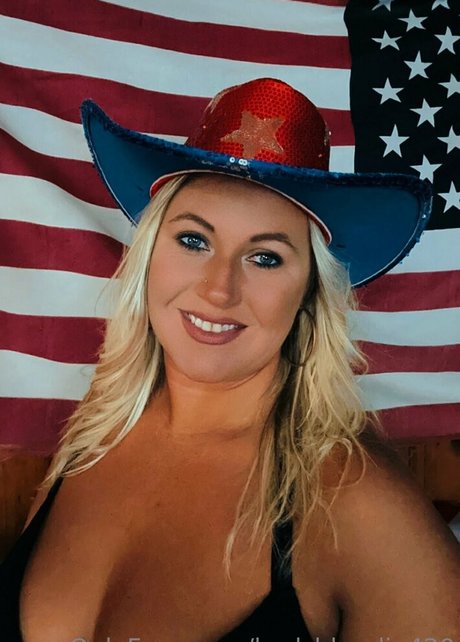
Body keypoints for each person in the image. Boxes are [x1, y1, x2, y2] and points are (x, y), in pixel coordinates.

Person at [0, 78, 458, 641]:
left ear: (310, 293)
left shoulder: (358, 503)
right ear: (149, 255)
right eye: (194, 241)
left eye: (265, 258)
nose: (219, 289)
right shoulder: (92, 437)